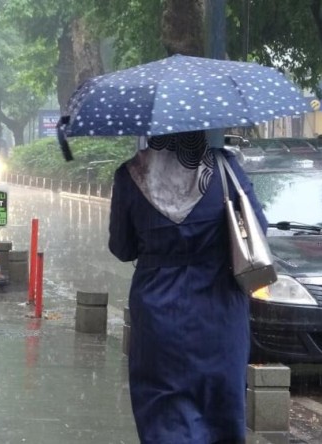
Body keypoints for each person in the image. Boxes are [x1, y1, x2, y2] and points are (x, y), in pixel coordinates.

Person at [108, 130, 267, 444]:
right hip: (219, 315)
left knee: (164, 412)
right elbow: (258, 227)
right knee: (221, 411)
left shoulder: (131, 175)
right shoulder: (224, 167)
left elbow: (122, 248)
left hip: (159, 317)